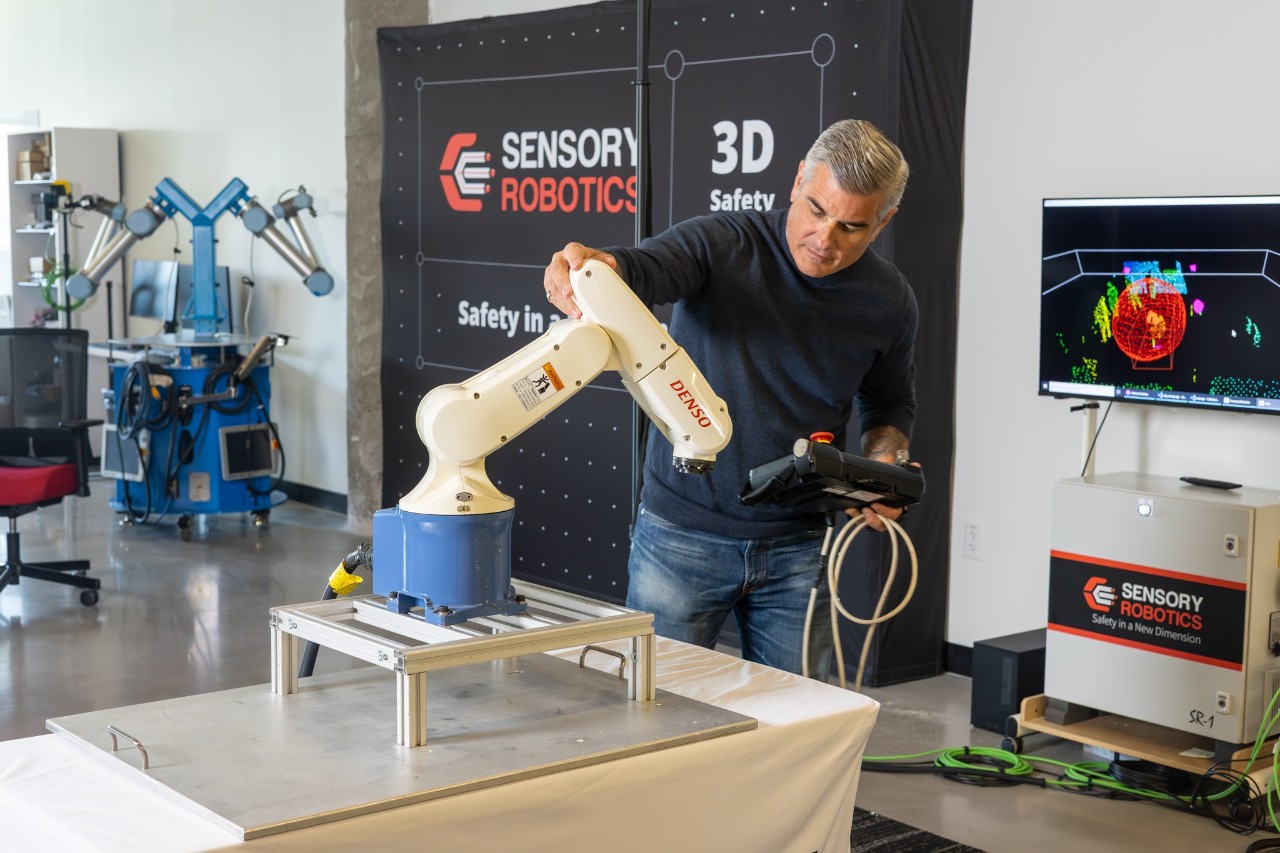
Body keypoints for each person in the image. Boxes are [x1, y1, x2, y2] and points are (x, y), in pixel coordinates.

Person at [542, 119, 918, 679]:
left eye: (852, 227)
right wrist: (590, 268)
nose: (825, 239)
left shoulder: (889, 301)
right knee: (652, 713)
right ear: (796, 182)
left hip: (799, 547)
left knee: (797, 727)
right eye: (816, 210)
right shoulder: (723, 244)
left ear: (883, 221)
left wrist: (884, 465)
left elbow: (889, 406)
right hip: (681, 538)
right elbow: (642, 268)